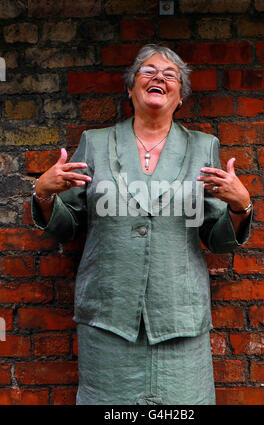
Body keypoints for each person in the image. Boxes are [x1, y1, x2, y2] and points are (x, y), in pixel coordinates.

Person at [31, 44, 252, 405]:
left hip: (179, 322)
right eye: (148, 71)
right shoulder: (96, 143)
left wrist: (241, 205)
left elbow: (218, 239)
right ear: (130, 87)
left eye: (170, 74)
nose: (159, 77)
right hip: (108, 321)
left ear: (180, 96)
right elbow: (65, 228)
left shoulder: (203, 147)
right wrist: (43, 194)